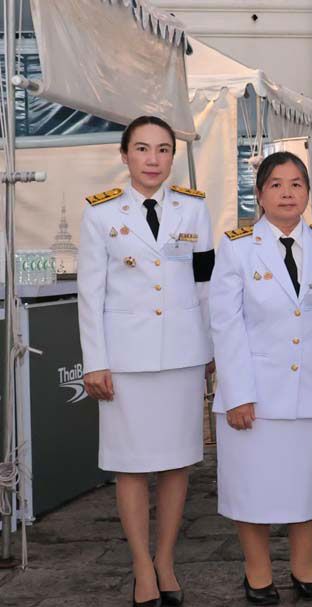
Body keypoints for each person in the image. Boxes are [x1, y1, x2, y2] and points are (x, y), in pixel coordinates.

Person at [78, 115, 215, 607]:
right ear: (125, 155)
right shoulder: (100, 215)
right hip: (126, 360)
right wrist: (95, 361)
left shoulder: (194, 211)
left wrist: (210, 351)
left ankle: (165, 560)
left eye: (161, 149)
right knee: (131, 466)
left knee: (177, 463)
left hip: (181, 353)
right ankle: (140, 565)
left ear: (172, 157)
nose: (152, 159)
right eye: (142, 149)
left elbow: (204, 286)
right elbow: (89, 295)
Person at [209, 152, 312, 605]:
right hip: (254, 392)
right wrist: (236, 393)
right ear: (260, 195)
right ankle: (257, 573)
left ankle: (304, 568)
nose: (287, 192)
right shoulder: (236, 247)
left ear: (308, 193)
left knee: (308, 484)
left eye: (296, 184)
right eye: (276, 184)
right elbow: (225, 324)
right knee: (250, 487)